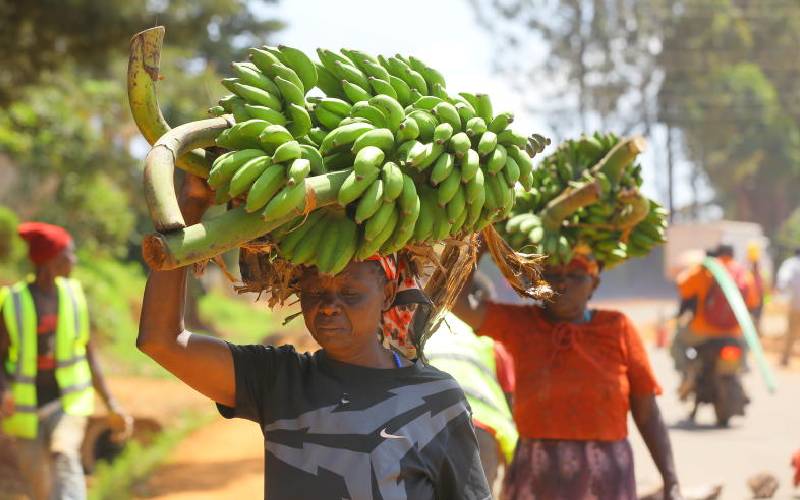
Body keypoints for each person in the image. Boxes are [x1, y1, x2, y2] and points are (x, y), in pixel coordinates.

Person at [136, 174, 491, 499]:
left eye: (350, 293)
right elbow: (160, 341)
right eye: (315, 291)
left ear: (386, 294)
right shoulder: (278, 379)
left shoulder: (437, 400)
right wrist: (190, 208)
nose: (330, 307)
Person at [454, 250, 682, 499]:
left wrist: (671, 480)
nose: (562, 284)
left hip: (606, 477)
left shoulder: (617, 327)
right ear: (538, 283)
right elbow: (460, 304)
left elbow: (647, 412)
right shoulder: (521, 323)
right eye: (551, 275)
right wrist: (476, 250)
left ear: (593, 284)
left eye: (576, 276)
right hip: (538, 473)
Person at [0, 222, 129, 500]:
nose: (74, 260)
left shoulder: (73, 296)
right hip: (25, 410)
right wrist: (3, 391)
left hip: (68, 403)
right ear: (51, 259)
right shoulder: (13, 302)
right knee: (38, 480)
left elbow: (88, 352)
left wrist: (111, 403)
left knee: (64, 454)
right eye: (69, 253)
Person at [425, 274, 518, 494]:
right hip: (480, 428)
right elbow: (511, 397)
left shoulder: (422, 328)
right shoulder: (489, 339)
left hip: (423, 425)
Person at [776, 248, 800, 367]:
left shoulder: (790, 264)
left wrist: (784, 293)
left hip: (795, 304)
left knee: (791, 332)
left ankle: (785, 358)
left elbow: (783, 280)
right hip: (795, 303)